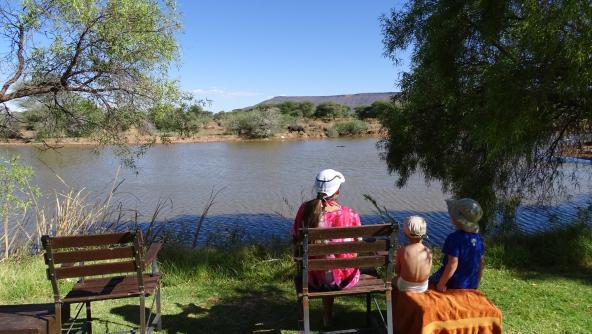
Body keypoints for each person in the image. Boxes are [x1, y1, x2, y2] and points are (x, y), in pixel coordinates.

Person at [292, 168, 361, 327]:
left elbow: (295, 237)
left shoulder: (305, 210)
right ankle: (327, 316)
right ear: (337, 190)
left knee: (325, 265)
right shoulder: (350, 214)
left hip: (313, 277)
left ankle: (324, 316)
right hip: (344, 278)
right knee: (334, 264)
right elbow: (358, 246)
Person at [430, 198, 485, 292]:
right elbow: (481, 263)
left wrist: (441, 284)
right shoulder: (479, 239)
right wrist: (476, 283)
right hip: (471, 283)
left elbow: (452, 264)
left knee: (429, 282)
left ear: (456, 219)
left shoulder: (454, 238)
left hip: (455, 283)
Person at [395, 216, 433, 292]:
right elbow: (428, 271)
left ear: (406, 234)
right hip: (423, 287)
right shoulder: (428, 251)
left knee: (393, 280)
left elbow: (397, 271)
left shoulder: (402, 251)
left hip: (405, 286)